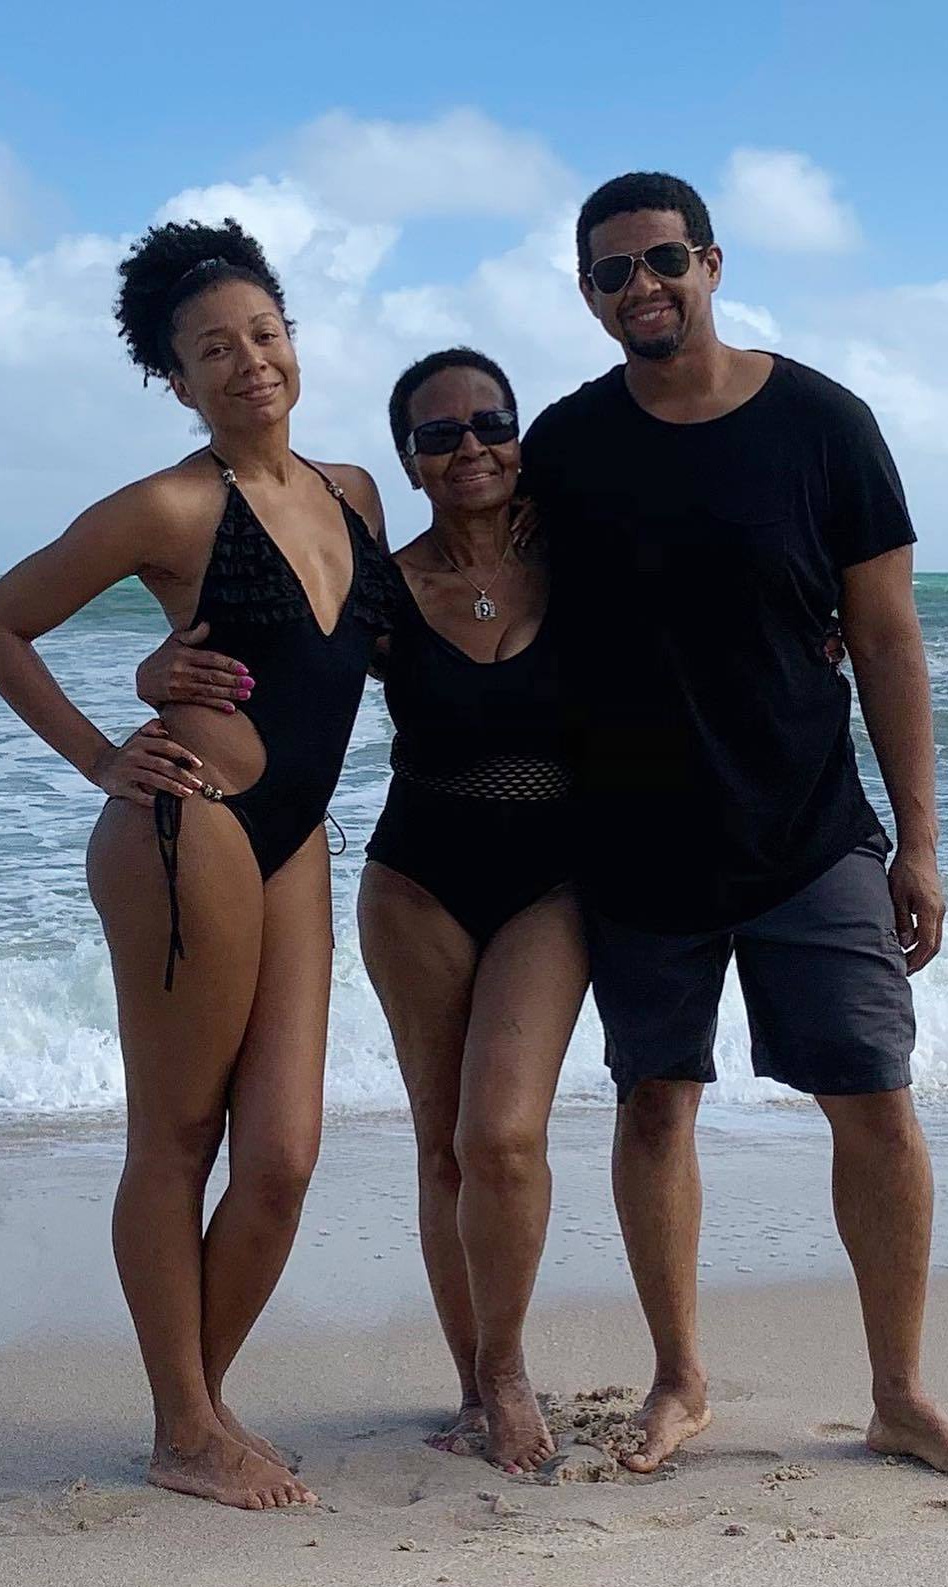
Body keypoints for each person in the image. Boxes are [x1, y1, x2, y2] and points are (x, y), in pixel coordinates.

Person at [518, 172, 948, 1483]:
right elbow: (485, 594)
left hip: (809, 831)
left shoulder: (825, 425)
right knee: (652, 1106)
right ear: (589, 296)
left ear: (713, 261)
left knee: (876, 1104)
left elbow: (889, 639)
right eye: (613, 271)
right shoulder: (567, 444)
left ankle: (900, 1392)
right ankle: (679, 1379)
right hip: (635, 844)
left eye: (662, 259)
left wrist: (920, 840)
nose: (642, 286)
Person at [0, 217, 394, 1511]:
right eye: (214, 349)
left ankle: (195, 1407)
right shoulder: (169, 506)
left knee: (283, 1156)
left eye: (264, 333)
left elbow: (379, 650)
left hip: (296, 834)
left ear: (292, 341)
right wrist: (104, 752)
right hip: (186, 821)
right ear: (177, 379)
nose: (249, 361)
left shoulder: (355, 491)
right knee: (180, 1131)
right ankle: (186, 1426)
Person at [361, 350, 586, 1473]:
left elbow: (713, 603)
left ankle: (505, 1368)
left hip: (554, 879)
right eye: (438, 434)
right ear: (409, 462)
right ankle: (474, 1382)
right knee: (442, 1142)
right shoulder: (381, 590)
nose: (470, 448)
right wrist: (167, 678)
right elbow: (275, 681)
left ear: (520, 434)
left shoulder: (585, 555)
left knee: (501, 1135)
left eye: (491, 423)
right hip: (415, 878)